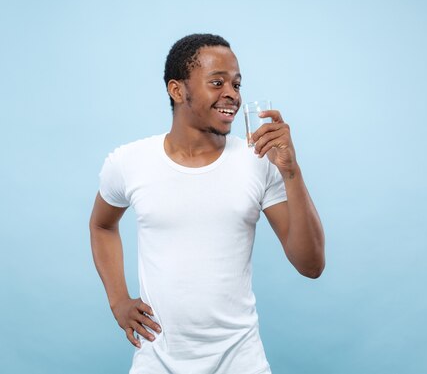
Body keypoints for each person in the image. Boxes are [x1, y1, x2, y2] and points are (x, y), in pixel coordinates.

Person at [89, 33, 325, 374]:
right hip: (157, 362)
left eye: (237, 84)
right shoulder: (129, 162)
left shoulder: (258, 161)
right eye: (217, 82)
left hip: (242, 362)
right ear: (177, 90)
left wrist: (291, 172)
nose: (232, 94)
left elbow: (311, 264)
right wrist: (118, 301)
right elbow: (101, 225)